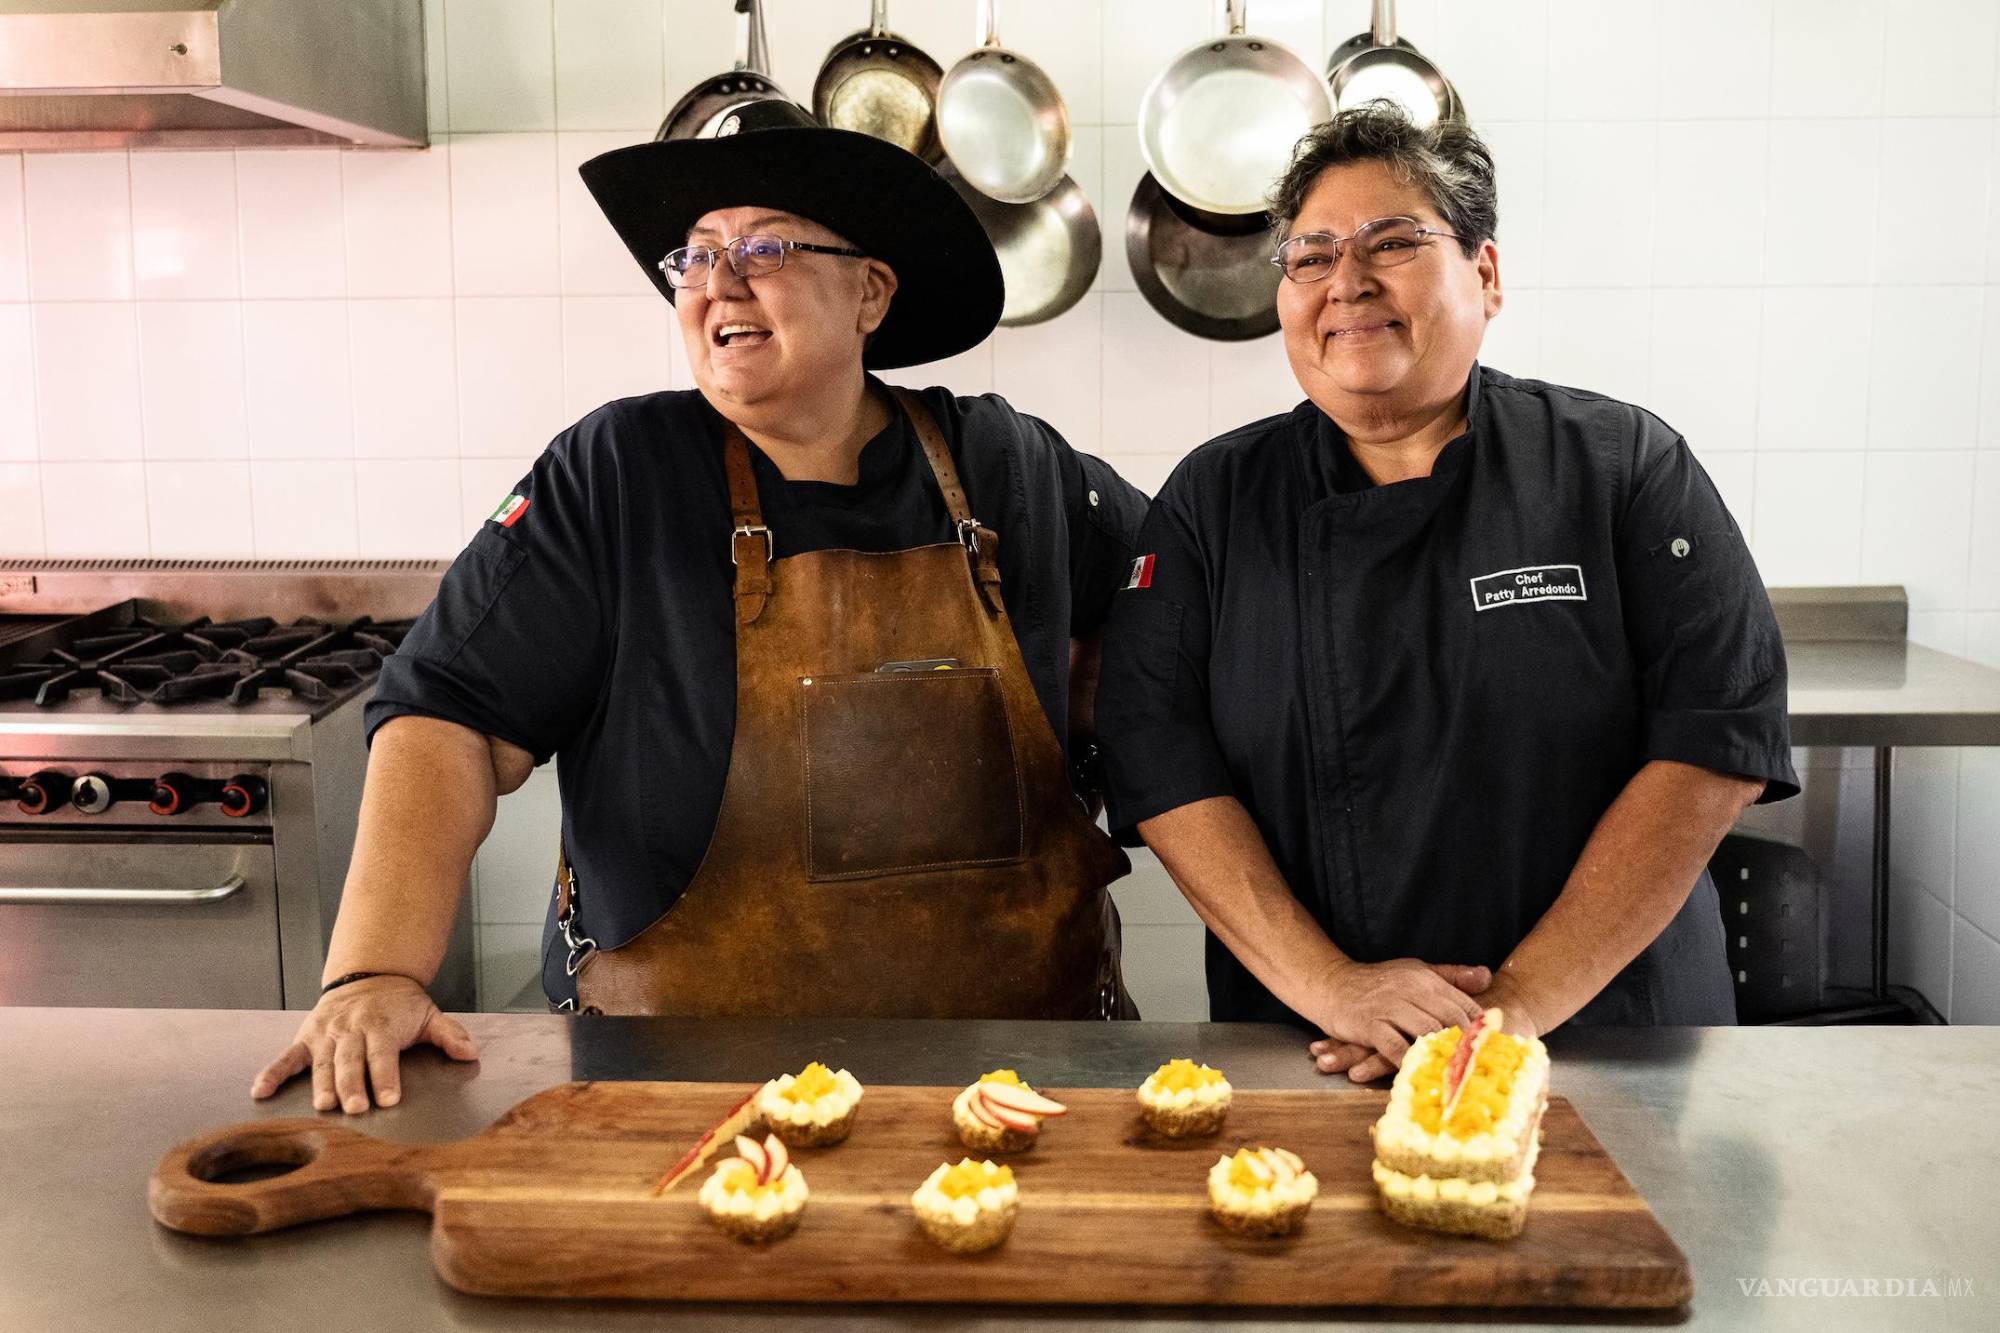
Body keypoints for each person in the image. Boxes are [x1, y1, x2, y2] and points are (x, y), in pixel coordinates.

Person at [252, 100, 1147, 1115]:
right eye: (696, 255)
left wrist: (1095, 720)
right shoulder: (617, 476)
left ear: (870, 292)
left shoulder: (1010, 464)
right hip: (675, 1091)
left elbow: (1177, 625)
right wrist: (376, 972)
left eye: (762, 247)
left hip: (1012, 1087)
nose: (717, 282)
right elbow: (448, 716)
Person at [1097, 102, 1798, 1083]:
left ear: (1484, 273)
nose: (1345, 280)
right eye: (1309, 255)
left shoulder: (1619, 467)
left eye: (1391, 241)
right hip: (1316, 1048)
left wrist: (1510, 1010)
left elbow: (1710, 742)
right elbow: (1154, 752)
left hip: (1605, 1048)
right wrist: (1336, 985)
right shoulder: (1212, 503)